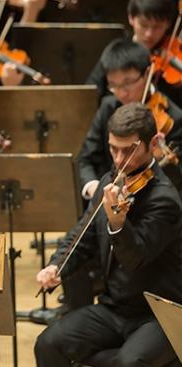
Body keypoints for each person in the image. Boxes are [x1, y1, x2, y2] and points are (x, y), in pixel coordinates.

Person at [35, 102, 182, 367]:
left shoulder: (165, 200)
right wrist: (57, 265)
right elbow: (83, 233)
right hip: (115, 308)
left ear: (152, 143)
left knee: (128, 363)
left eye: (129, 150)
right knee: (48, 344)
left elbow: (135, 258)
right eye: (113, 148)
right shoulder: (110, 182)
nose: (117, 159)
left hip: (157, 314)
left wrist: (117, 223)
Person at [79, 38, 182, 202]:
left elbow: (177, 181)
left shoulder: (173, 118)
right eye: (113, 85)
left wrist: (162, 160)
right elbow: (86, 159)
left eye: (128, 83)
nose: (121, 93)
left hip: (153, 207)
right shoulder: (108, 107)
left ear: (147, 73)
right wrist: (94, 188)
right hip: (107, 201)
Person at [86, 0, 181, 107]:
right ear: (131, 18)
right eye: (144, 25)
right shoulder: (117, 51)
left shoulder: (175, 53)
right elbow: (91, 92)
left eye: (157, 27)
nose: (149, 34)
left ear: (168, 24)